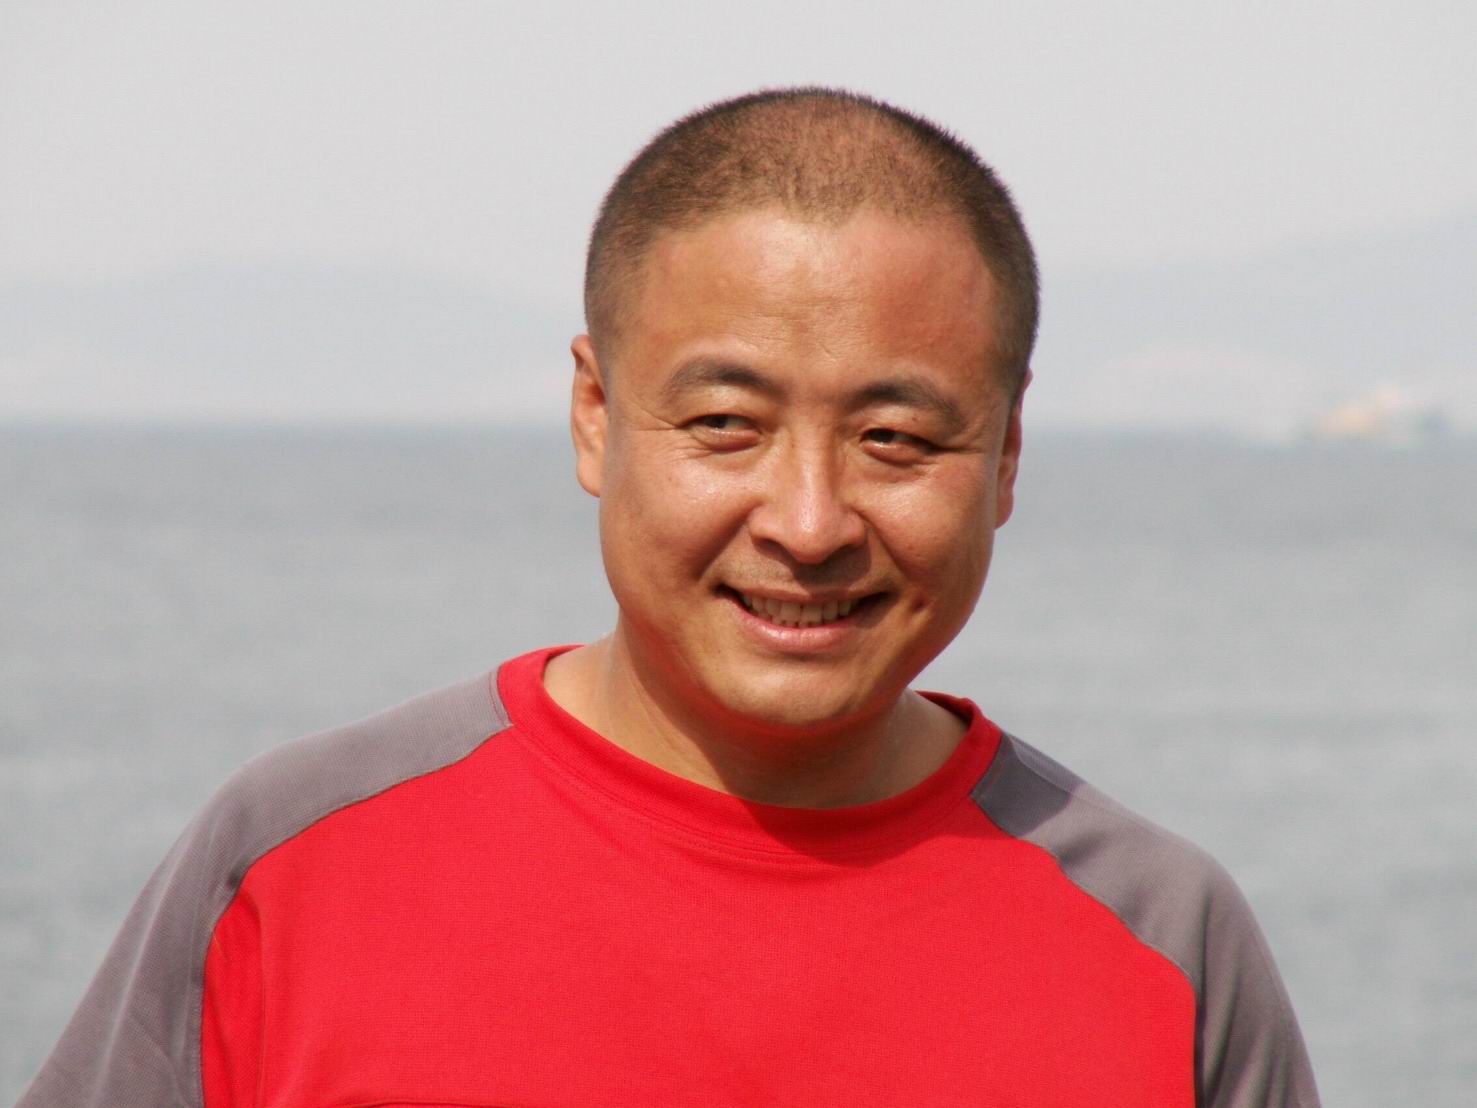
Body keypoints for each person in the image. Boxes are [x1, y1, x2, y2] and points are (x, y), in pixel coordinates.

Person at [20, 88, 1320, 1107]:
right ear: (596, 415)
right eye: (724, 425)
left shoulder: (1161, 942)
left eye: (896, 440)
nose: (808, 523)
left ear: (1007, 456)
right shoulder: (295, 869)